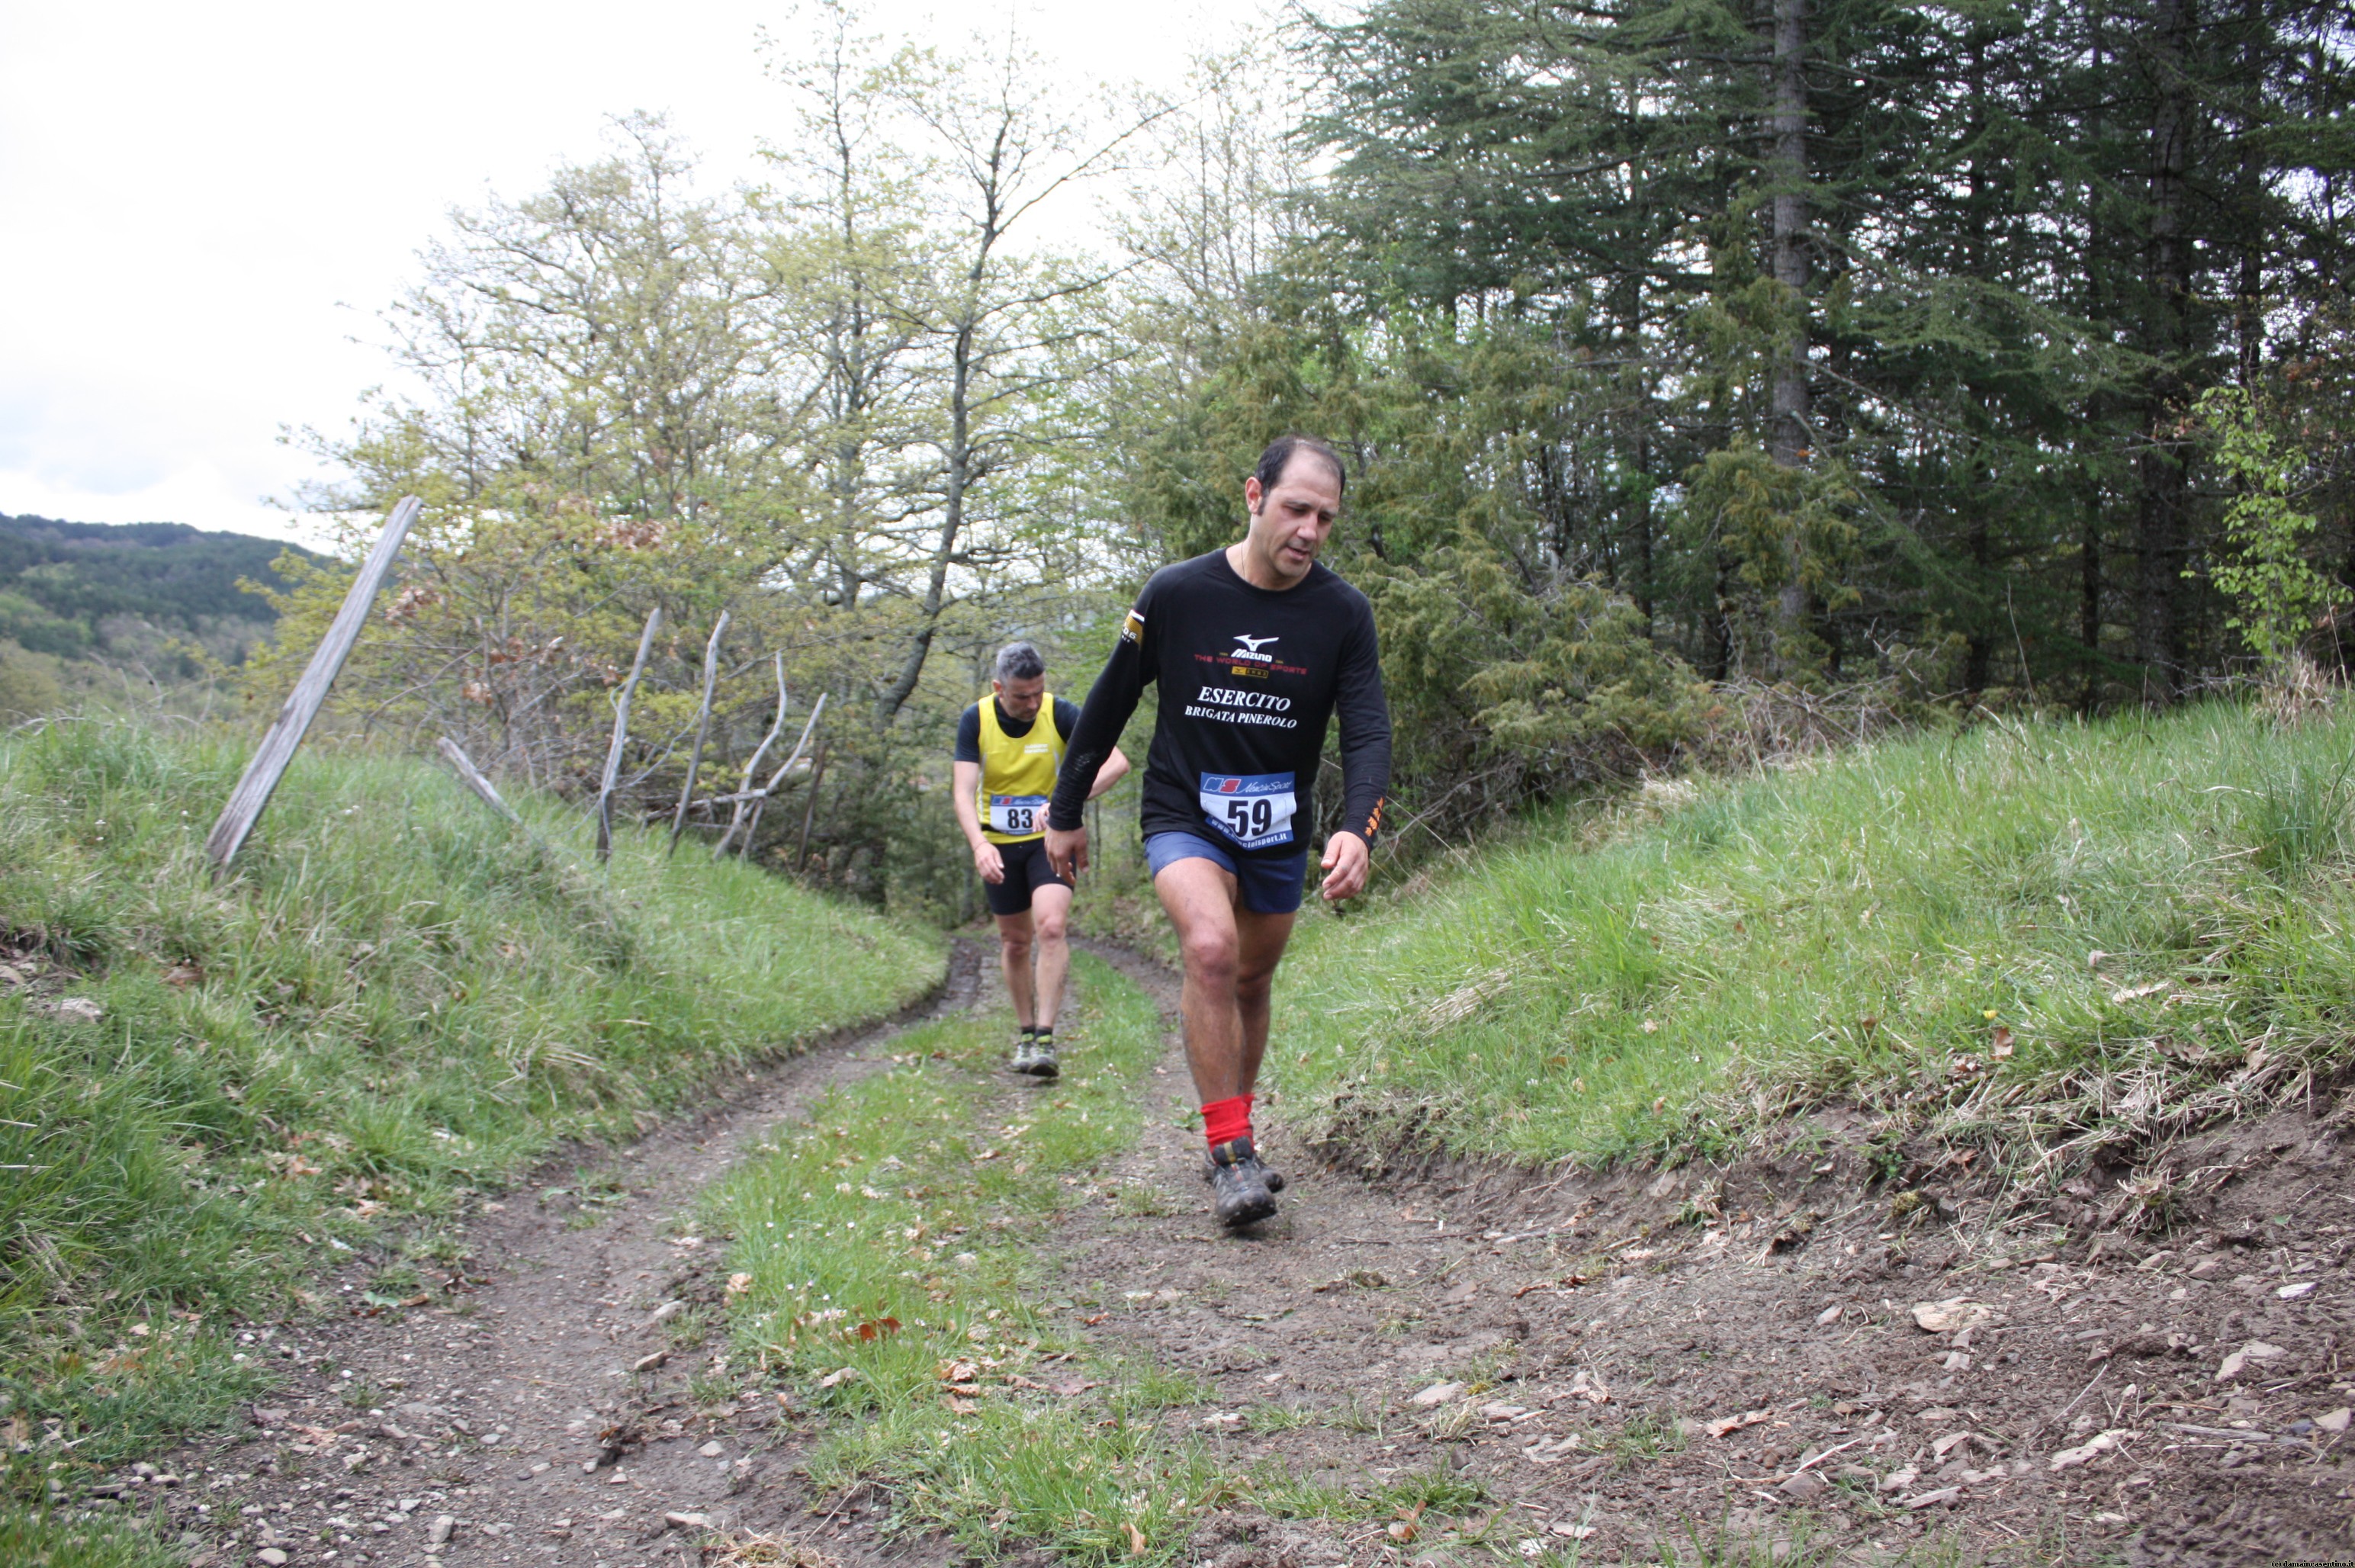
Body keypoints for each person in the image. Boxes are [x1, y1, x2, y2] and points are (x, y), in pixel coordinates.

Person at [1045, 435, 1390, 1227]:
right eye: (1296, 508)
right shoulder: (1177, 593)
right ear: (1253, 496)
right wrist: (1065, 810)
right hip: (1183, 812)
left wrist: (1357, 828)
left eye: (1325, 518)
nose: (1309, 530)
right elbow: (1109, 700)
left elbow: (1368, 731)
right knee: (1209, 949)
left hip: (1276, 826)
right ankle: (1229, 1154)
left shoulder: (1342, 614)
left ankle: (1241, 1129)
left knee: (1249, 981)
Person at [953, 640, 1129, 1078]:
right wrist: (979, 846)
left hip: (1048, 840)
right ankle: (1026, 1033)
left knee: (1051, 926)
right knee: (1015, 942)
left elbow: (1118, 763)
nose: (1032, 703)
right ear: (999, 688)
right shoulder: (975, 719)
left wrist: (1066, 801)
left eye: (1038, 692)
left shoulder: (1061, 712)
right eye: (1021, 696)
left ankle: (1047, 1040)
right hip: (996, 842)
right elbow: (961, 791)